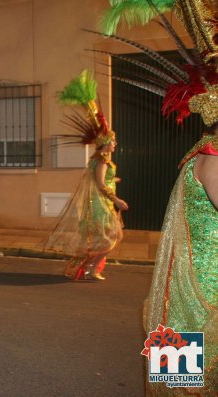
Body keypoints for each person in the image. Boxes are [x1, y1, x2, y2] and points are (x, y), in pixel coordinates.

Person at [98, 1, 217, 393]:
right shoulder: (212, 158)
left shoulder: (202, 154)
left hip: (196, 288)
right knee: (188, 381)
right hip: (203, 291)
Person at [43, 70, 128, 281]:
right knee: (110, 238)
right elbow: (99, 183)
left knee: (110, 237)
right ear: (105, 143)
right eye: (113, 141)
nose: (115, 144)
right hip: (100, 204)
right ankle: (90, 268)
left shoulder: (100, 159)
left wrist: (113, 180)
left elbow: (100, 179)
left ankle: (91, 268)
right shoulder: (102, 160)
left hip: (101, 203)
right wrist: (117, 199)